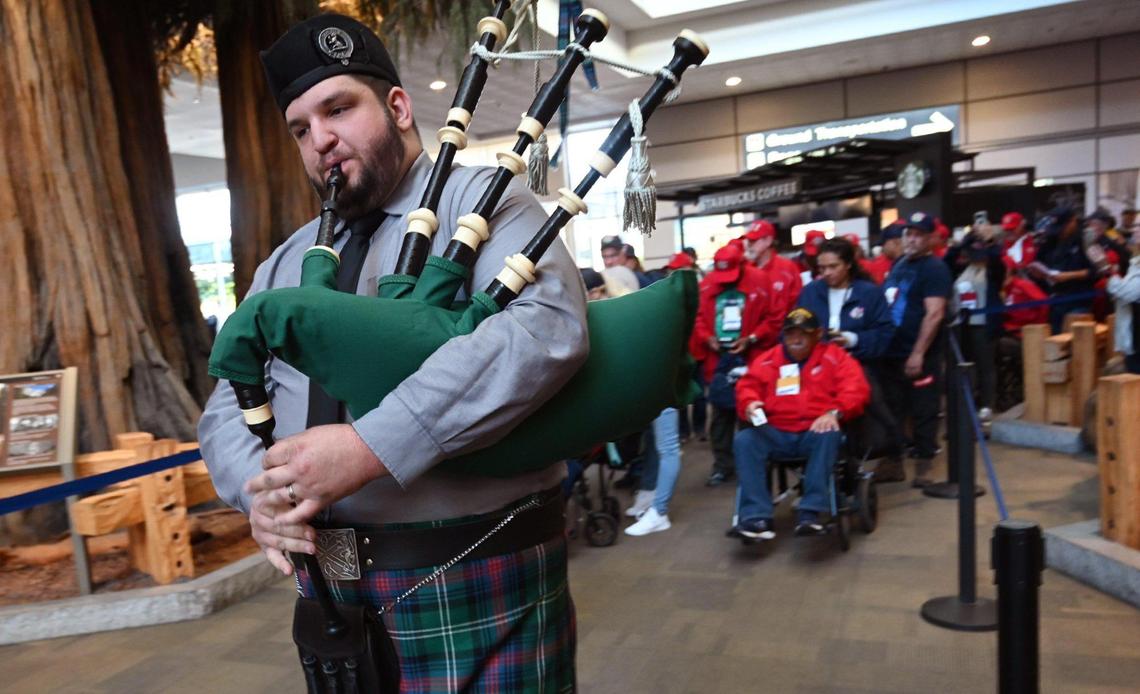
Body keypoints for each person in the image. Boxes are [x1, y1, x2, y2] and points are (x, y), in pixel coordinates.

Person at [197, 14, 584, 689]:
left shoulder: (486, 202)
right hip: (333, 581)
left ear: (399, 107)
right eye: (300, 128)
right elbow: (227, 399)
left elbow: (545, 327)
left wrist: (373, 445)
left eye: (338, 108)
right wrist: (254, 490)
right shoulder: (286, 262)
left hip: (475, 559)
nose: (321, 139)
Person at [730, 308, 871, 539]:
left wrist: (834, 412)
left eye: (803, 334)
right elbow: (747, 386)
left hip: (814, 430)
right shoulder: (767, 360)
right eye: (790, 334)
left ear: (817, 334)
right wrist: (750, 403)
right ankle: (756, 517)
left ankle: (811, 511)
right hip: (776, 431)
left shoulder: (835, 357)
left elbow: (856, 389)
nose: (795, 339)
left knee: (829, 433)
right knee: (745, 440)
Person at [797, 238, 898, 477]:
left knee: (867, 399)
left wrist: (853, 340)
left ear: (848, 265)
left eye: (833, 267)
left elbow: (885, 334)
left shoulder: (870, 293)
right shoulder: (811, 292)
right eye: (822, 268)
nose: (827, 273)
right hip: (817, 367)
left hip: (857, 364)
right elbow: (795, 330)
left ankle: (885, 450)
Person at [690, 243, 781, 487]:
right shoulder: (708, 284)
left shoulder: (761, 280)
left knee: (751, 411)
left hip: (752, 357)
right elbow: (697, 317)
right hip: (718, 359)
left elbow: (774, 318)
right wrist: (707, 337)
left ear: (741, 265)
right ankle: (723, 465)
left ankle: (754, 463)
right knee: (720, 415)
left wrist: (752, 337)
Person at [880, 211, 952, 486]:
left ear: (931, 238)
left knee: (924, 408)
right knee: (894, 408)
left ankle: (925, 464)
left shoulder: (934, 268)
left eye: (918, 234)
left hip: (919, 353)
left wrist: (919, 353)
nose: (911, 239)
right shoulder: (899, 265)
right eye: (909, 233)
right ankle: (895, 461)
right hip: (893, 350)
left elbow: (934, 314)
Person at [945, 228, 1006, 420]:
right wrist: (963, 243)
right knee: (964, 364)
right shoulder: (961, 269)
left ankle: (987, 405)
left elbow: (998, 259)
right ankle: (965, 403)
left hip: (984, 324)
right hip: (963, 324)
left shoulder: (993, 271)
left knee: (986, 365)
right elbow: (946, 262)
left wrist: (990, 242)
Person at [1029, 208, 1094, 333]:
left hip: (1078, 300)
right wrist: (1038, 274)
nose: (1061, 232)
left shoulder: (1085, 240)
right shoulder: (1050, 240)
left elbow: (1095, 271)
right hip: (1055, 300)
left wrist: (1069, 276)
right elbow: (1038, 262)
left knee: (1075, 339)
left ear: (1072, 222)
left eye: (1063, 227)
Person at [1098, 232, 1140, 373]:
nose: (1136, 231)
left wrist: (1107, 273)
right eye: (1136, 227)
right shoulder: (1135, 260)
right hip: (1134, 334)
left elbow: (1130, 292)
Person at [742, 219, 803, 317]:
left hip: (783, 328)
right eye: (748, 240)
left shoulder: (787, 268)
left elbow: (798, 303)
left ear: (768, 241)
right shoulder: (744, 270)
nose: (749, 244)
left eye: (753, 240)